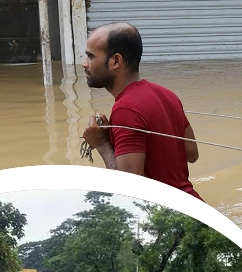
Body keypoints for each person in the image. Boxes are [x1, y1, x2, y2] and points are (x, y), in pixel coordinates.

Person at [81, 22, 201, 199]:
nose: (84, 64)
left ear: (116, 61)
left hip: (166, 217)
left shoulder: (125, 109)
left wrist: (102, 143)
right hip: (193, 207)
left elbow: (132, 191)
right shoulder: (167, 94)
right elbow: (192, 154)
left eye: (91, 57)